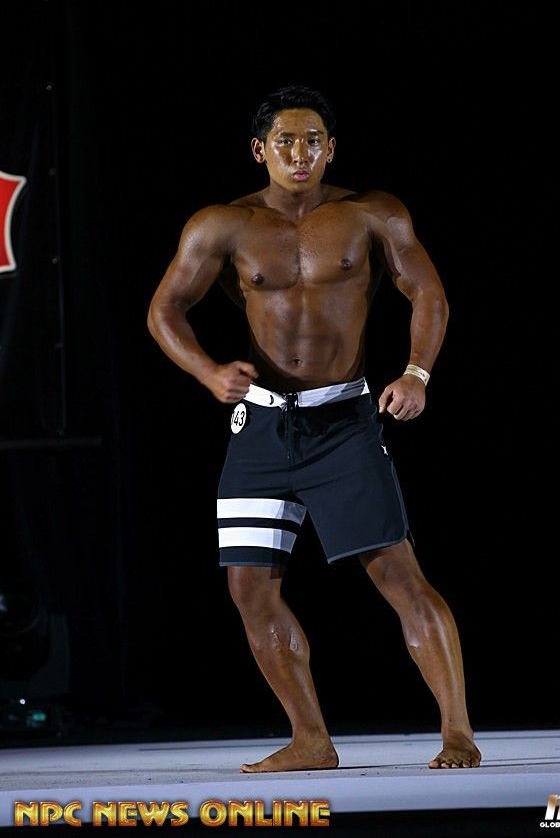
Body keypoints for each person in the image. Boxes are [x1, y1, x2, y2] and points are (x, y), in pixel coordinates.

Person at [147, 85, 481, 772]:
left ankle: (457, 733)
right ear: (259, 150)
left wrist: (416, 373)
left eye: (312, 141)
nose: (299, 154)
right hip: (262, 430)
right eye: (285, 142)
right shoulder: (222, 225)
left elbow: (428, 292)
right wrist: (209, 372)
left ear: (331, 148)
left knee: (399, 575)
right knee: (249, 588)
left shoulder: (371, 214)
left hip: (344, 424)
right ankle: (310, 739)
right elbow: (164, 310)